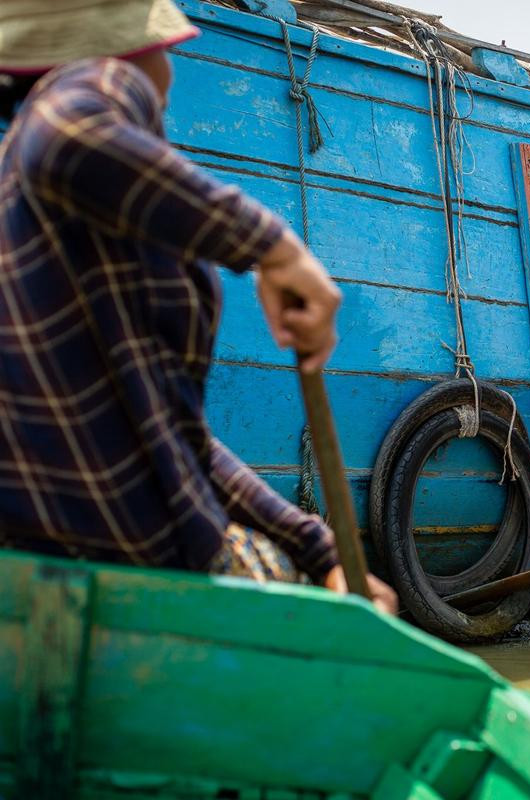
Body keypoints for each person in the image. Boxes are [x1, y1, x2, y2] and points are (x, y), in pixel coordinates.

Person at [0, 0, 396, 613]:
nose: (170, 64)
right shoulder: (95, 90)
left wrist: (322, 551)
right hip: (133, 572)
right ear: (130, 48)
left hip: (63, 571)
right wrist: (274, 247)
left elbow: (173, 437)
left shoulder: (34, 197)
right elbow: (69, 135)